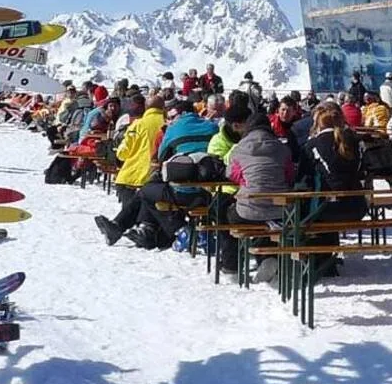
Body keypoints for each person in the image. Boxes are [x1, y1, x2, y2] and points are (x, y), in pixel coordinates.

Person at [218, 93, 294, 276]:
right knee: (266, 217)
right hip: (280, 211)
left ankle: (231, 264)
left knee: (221, 210)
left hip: (247, 211)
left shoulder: (240, 149)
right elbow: (289, 177)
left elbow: (232, 175)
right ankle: (268, 258)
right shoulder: (283, 148)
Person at [128, 101, 219, 250]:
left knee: (147, 192)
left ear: (181, 114)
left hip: (183, 193)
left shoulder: (173, 129)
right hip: (211, 193)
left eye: (172, 116)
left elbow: (161, 156)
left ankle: (180, 229)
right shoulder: (213, 127)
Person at [295, 102, 369, 277]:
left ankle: (319, 261)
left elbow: (302, 178)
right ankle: (327, 260)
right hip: (357, 207)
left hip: (327, 210)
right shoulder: (355, 141)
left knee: (306, 210)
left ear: (318, 122)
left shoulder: (313, 145)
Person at [94, 94, 165, 246]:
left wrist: (119, 152)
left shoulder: (138, 124)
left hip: (133, 173)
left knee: (136, 196)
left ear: (147, 107)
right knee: (144, 196)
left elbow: (124, 151)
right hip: (157, 174)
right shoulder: (167, 123)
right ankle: (137, 227)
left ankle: (127, 227)